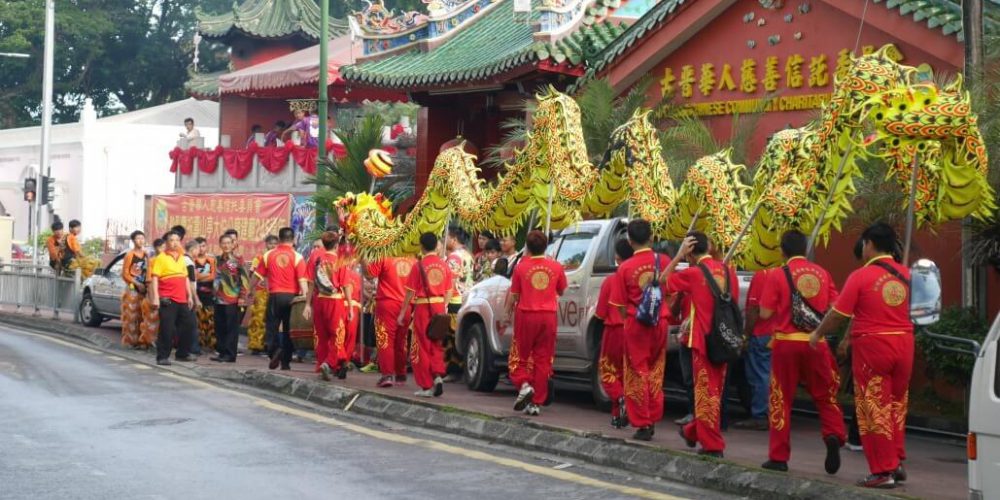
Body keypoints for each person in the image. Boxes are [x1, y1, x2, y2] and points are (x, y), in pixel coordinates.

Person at [809, 223, 913, 489]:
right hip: (905, 344)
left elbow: (838, 315)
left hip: (873, 347)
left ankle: (883, 471)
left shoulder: (861, 276)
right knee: (896, 407)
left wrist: (817, 334)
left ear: (868, 244)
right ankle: (896, 462)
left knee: (874, 408)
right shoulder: (908, 275)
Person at [757, 230, 846, 474]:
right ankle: (834, 434)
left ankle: (779, 456)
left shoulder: (777, 274)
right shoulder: (822, 273)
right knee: (826, 395)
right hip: (817, 342)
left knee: (781, 399)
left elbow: (764, 313)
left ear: (782, 251)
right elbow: (835, 308)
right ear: (806, 248)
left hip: (786, 343)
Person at [664, 231, 739, 456]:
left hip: (703, 340)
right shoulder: (728, 271)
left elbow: (663, 281)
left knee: (705, 394)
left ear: (690, 253)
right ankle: (692, 431)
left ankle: (713, 445)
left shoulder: (694, 273)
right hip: (724, 339)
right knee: (715, 391)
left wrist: (677, 257)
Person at [608, 220, 670, 440]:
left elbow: (620, 306)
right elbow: (671, 293)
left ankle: (643, 422)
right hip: (660, 322)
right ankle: (653, 416)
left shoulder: (624, 268)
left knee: (637, 373)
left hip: (636, 324)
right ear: (651, 238)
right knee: (655, 372)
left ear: (630, 241)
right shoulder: (664, 261)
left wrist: (630, 321)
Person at [507, 230, 568, 416]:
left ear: (527, 247)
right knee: (543, 361)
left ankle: (524, 385)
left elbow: (515, 295)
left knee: (520, 357)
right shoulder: (556, 267)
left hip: (526, 314)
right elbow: (562, 290)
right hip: (548, 316)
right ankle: (536, 403)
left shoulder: (521, 267)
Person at [399, 232, 453, 398]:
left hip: (423, 307)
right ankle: (437, 375)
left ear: (421, 247)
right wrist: (443, 306)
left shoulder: (419, 265)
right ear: (437, 245)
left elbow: (410, 292)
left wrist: (402, 312)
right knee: (436, 343)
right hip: (439, 306)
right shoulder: (444, 265)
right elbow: (449, 290)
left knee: (421, 346)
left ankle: (427, 384)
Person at [252, 227, 308, 371]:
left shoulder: (268, 255)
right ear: (293, 239)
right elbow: (302, 281)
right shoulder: (298, 257)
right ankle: (285, 362)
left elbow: (256, 276)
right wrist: (306, 301)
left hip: (275, 295)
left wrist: (249, 291)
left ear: (279, 238)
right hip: (292, 297)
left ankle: (274, 351)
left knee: (271, 327)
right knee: (289, 330)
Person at [595, 238, 634, 427]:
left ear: (617, 258)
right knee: (627, 373)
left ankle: (620, 398)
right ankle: (617, 415)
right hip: (635, 331)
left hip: (614, 331)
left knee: (609, 373)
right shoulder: (640, 278)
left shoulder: (611, 280)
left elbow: (601, 313)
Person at [303, 231, 350, 380]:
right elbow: (346, 284)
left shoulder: (317, 259)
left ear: (323, 243)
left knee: (321, 335)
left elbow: (310, 283)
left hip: (319, 300)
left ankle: (332, 362)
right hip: (335, 301)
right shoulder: (340, 261)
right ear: (336, 245)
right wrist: (349, 304)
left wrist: (307, 304)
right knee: (337, 334)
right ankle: (329, 364)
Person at [734, 266, 775, 431]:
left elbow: (753, 309)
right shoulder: (785, 272)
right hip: (781, 333)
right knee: (771, 375)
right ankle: (774, 413)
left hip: (762, 332)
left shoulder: (762, 275)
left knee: (759, 375)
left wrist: (746, 335)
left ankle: (759, 415)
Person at [367, 253, 415, 387]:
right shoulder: (413, 259)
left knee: (385, 339)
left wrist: (363, 259)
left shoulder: (384, 256)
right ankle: (401, 374)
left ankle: (387, 375)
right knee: (401, 341)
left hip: (387, 303)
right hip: (406, 305)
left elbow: (369, 274)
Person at [149, 231, 197, 365]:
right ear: (167, 243)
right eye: (171, 240)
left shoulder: (182, 258)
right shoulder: (161, 258)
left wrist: (190, 296)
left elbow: (185, 278)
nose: (174, 243)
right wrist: (155, 298)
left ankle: (182, 353)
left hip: (182, 298)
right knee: (167, 329)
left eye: (177, 240)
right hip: (167, 298)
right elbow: (154, 279)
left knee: (189, 326)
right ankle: (162, 356)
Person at [212, 233, 248, 363]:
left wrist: (242, 297)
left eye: (229, 243)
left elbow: (244, 279)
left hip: (232, 299)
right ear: (220, 245)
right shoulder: (217, 259)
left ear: (233, 245)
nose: (226, 245)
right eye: (224, 243)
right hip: (218, 298)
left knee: (231, 328)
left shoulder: (238, 260)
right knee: (219, 327)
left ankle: (230, 354)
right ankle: (221, 352)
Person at [246, 235, 279, 354]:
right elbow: (252, 275)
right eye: (270, 243)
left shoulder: (279, 258)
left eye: (275, 243)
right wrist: (251, 288)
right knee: (258, 318)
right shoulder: (259, 258)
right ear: (266, 244)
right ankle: (256, 346)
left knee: (272, 320)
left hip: (275, 292)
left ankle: (269, 346)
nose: (272, 246)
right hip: (261, 292)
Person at [120, 230, 149, 348]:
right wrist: (136, 283)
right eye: (138, 238)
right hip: (133, 288)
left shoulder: (146, 255)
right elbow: (125, 274)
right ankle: (130, 341)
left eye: (142, 238)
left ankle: (142, 341)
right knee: (131, 316)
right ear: (133, 241)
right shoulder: (130, 255)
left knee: (143, 315)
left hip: (144, 289)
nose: (141, 240)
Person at [140, 238, 165, 346]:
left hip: (165, 292)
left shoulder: (168, 260)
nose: (162, 249)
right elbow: (149, 280)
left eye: (164, 247)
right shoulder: (152, 261)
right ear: (156, 248)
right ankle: (149, 340)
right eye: (160, 247)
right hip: (154, 292)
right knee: (151, 318)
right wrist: (152, 295)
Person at [194, 237, 216, 352]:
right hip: (196, 294)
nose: (201, 249)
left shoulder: (211, 260)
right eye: (198, 246)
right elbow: (193, 277)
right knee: (197, 320)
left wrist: (199, 277)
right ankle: (199, 344)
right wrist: (204, 277)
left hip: (209, 293)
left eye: (203, 246)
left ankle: (211, 344)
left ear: (206, 247)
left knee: (210, 319)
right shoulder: (192, 260)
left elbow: (213, 276)